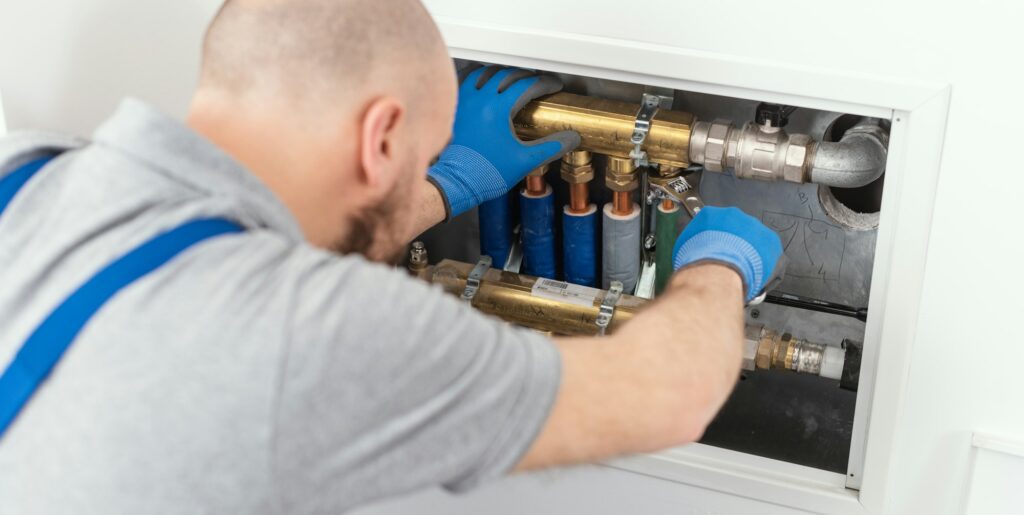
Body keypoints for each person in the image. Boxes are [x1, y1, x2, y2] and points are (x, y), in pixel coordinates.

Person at [0, 0, 783, 513]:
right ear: (379, 137)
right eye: (419, 157)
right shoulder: (308, 335)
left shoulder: (23, 171)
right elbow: (666, 393)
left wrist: (436, 190)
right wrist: (716, 263)